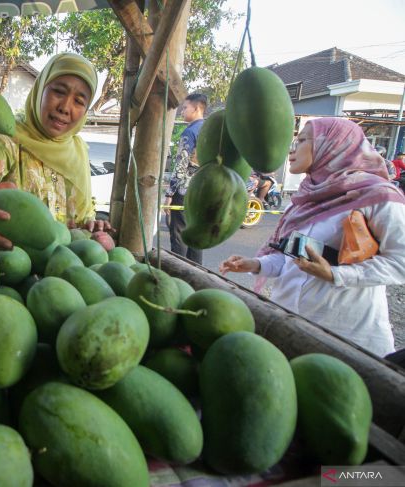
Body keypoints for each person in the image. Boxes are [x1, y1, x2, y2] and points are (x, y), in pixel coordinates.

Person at [219, 118, 405, 357]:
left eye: (303, 140)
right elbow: (291, 259)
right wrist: (256, 264)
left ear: (333, 145)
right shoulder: (305, 199)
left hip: (347, 340)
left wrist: (336, 274)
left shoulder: (378, 196)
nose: (292, 149)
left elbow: (400, 262)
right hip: (289, 328)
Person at [0, 52, 110, 249]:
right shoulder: (5, 138)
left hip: (63, 273)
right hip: (8, 269)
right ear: (40, 89)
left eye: (79, 101)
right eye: (59, 92)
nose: (65, 107)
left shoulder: (79, 151)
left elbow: (82, 219)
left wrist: (93, 227)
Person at [163, 93, 207, 264]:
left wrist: (169, 193)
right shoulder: (211, 130)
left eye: (185, 108)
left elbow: (181, 166)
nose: (182, 111)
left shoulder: (190, 132)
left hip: (184, 191)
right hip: (204, 192)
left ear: (196, 108)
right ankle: (197, 274)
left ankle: (180, 274)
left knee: (180, 235)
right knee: (196, 237)